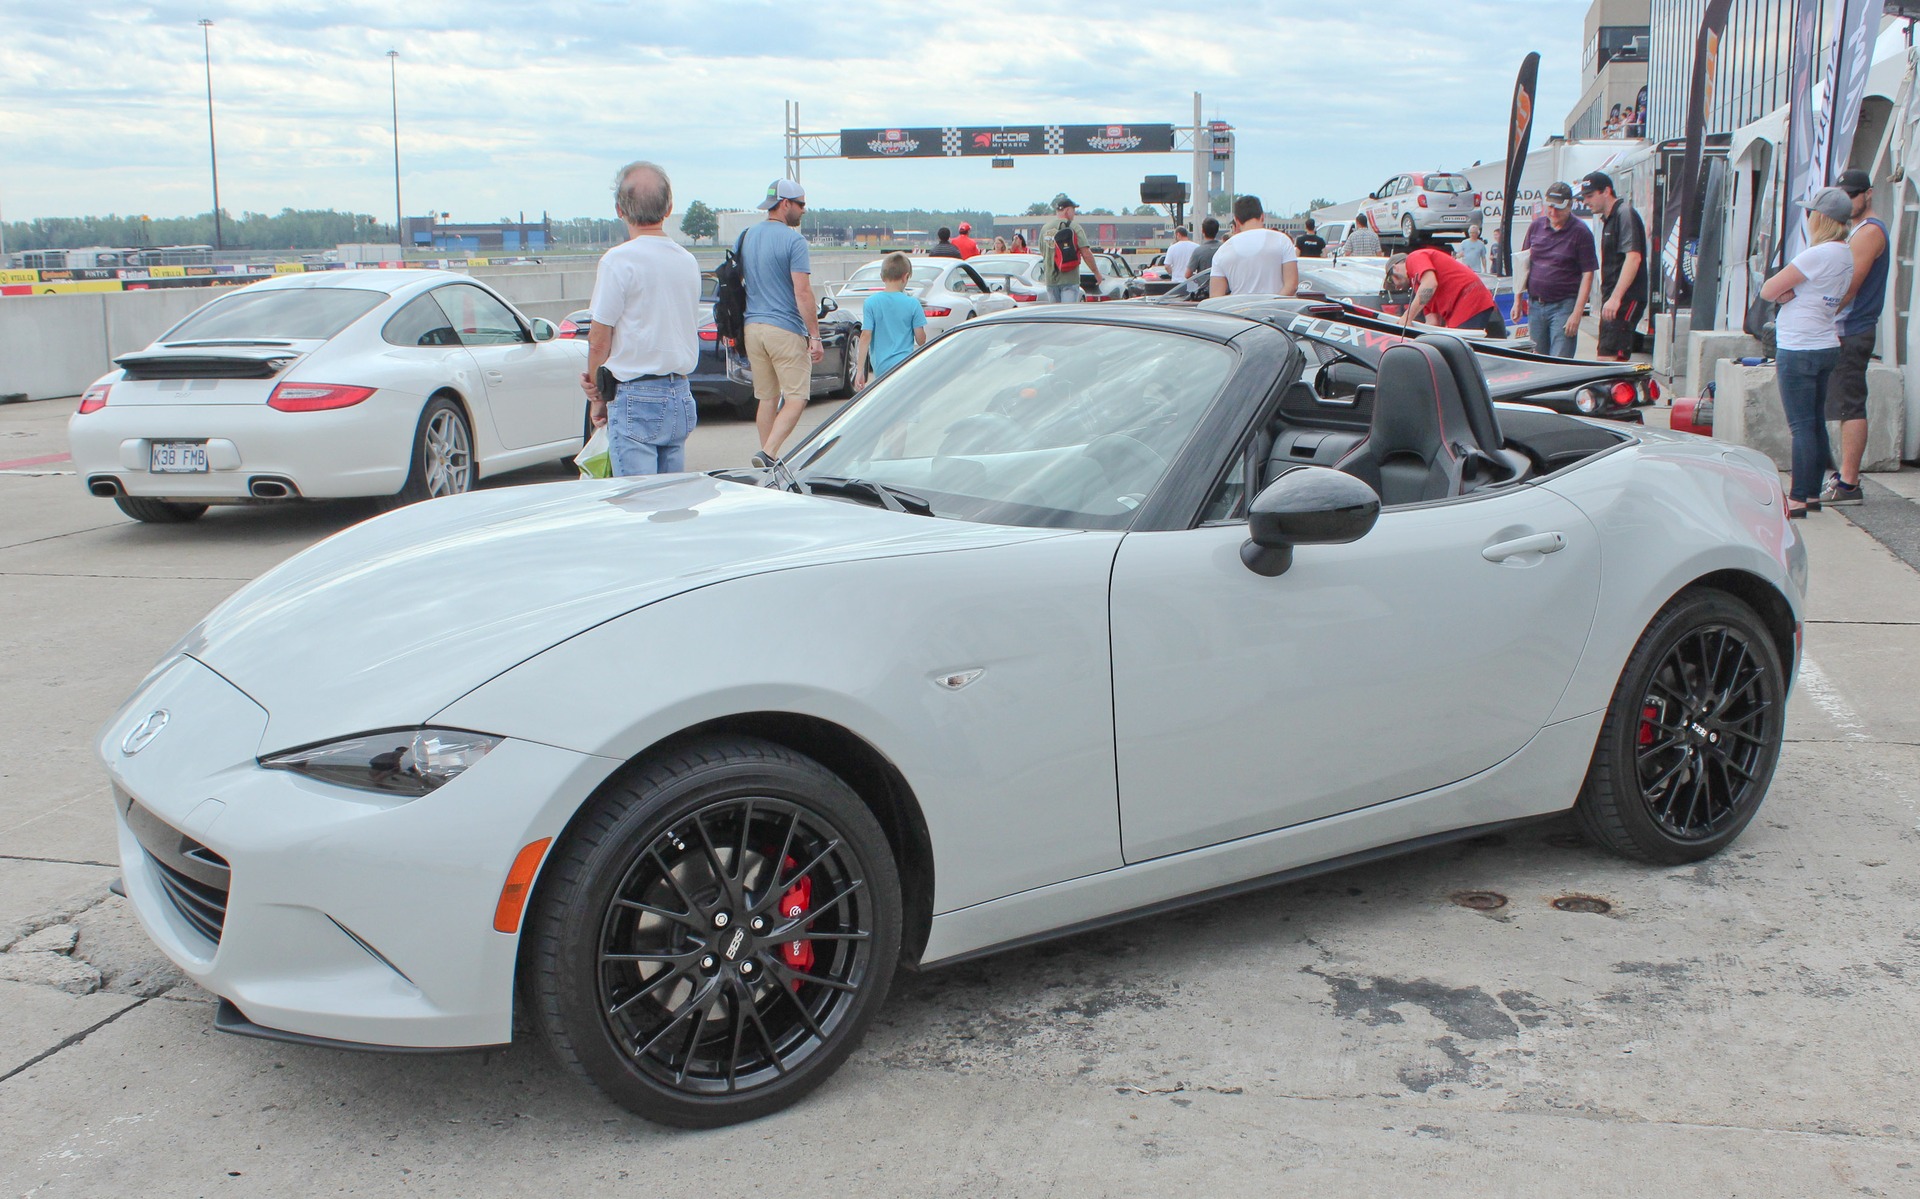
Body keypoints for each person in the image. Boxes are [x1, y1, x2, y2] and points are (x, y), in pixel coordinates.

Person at [580, 160, 701, 476]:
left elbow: (599, 339)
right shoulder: (687, 261)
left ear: (619, 209)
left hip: (636, 396)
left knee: (637, 506)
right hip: (680, 394)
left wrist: (597, 395)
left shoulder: (618, 262)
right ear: (669, 207)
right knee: (670, 504)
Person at [1760, 186, 1855, 518]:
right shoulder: (1845, 252)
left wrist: (1785, 292)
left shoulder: (1817, 254)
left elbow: (1769, 289)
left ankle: (1800, 496)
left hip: (1799, 344)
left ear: (1821, 218)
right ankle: (1812, 493)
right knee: (1815, 421)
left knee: (1801, 425)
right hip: (1825, 342)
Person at [742, 178, 823, 457]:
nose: (803, 211)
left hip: (752, 328)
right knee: (797, 397)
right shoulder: (794, 240)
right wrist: (815, 335)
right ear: (785, 204)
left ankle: (766, 459)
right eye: (800, 205)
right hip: (784, 328)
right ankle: (769, 453)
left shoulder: (747, 236)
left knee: (767, 397)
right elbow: (802, 292)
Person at [1823, 168, 1888, 506]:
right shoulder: (1857, 230)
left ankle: (1849, 483)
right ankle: (1844, 477)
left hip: (1853, 327)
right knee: (1841, 403)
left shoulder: (1869, 232)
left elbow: (1850, 286)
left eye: (1852, 195)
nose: (1847, 202)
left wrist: (1823, 316)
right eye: (1843, 195)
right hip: (1848, 326)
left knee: (1850, 405)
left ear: (1868, 194)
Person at [1515, 181, 1599, 358]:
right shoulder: (1536, 226)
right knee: (1537, 358)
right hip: (1536, 304)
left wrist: (1577, 314)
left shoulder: (1581, 232)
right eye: (1550, 207)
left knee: (1560, 358)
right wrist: (1517, 299)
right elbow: (1522, 263)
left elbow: (1588, 273)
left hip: (1563, 305)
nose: (1553, 212)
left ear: (1569, 206)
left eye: (1558, 208)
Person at [1579, 171, 1646, 362]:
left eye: (1590, 196)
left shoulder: (1624, 213)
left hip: (1626, 297)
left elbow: (1633, 258)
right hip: (1612, 297)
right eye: (1584, 197)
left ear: (1606, 191)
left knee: (1610, 359)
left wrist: (1616, 298)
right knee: (1605, 357)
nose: (1586, 202)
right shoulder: (1609, 219)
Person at [1386, 247, 1505, 336]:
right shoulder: (1419, 288)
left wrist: (1406, 317)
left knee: (1458, 350)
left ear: (1395, 268)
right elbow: (1433, 322)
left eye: (1392, 282)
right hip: (1469, 305)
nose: (1397, 288)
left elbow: (1430, 284)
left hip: (1469, 301)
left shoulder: (1414, 258)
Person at [853, 252, 927, 390]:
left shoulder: (871, 303)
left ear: (882, 277)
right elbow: (921, 339)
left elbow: (865, 337)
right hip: (905, 365)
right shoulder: (913, 303)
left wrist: (859, 371)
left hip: (881, 368)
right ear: (906, 277)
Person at [1210, 195, 1298, 297]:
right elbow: (1292, 285)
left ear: (1236, 221)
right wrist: (1270, 304)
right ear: (1262, 216)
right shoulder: (1282, 241)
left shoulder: (1222, 251)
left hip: (1237, 311)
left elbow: (1215, 297)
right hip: (1276, 311)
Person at [1040, 194, 1100, 303]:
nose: (1074, 214)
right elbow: (1086, 253)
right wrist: (1096, 273)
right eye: (1073, 210)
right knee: (1067, 314)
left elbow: (1043, 252)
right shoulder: (1074, 227)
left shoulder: (1045, 228)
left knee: (1055, 315)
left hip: (1050, 280)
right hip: (1069, 279)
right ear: (1067, 210)